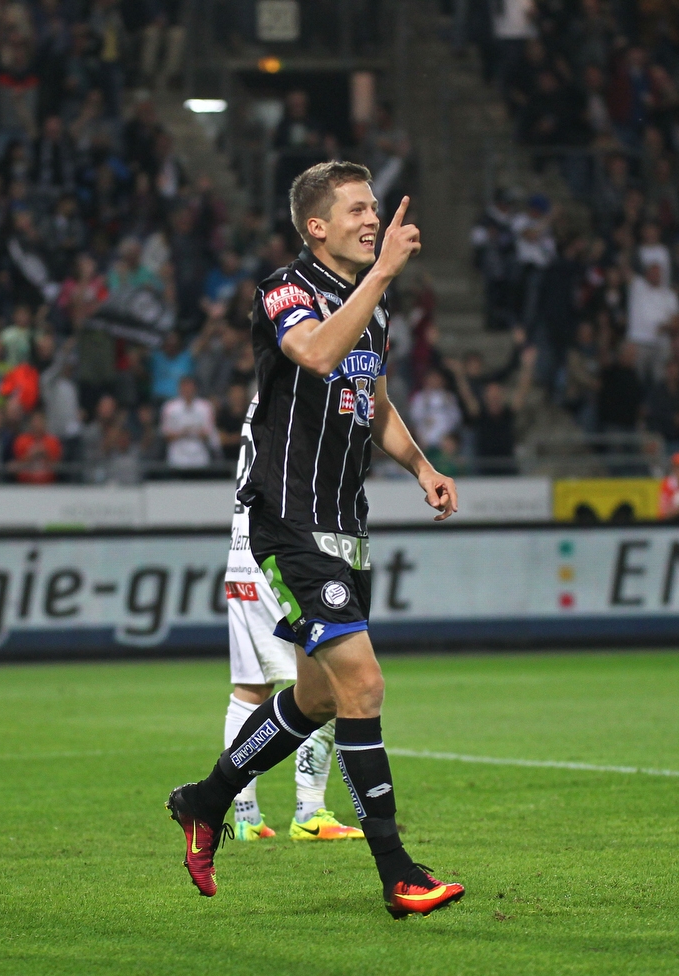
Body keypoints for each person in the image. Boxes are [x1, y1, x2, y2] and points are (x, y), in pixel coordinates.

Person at [166, 162, 464, 919]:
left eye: (376, 209)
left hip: (346, 522)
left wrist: (423, 467)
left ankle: (206, 800)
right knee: (363, 685)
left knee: (319, 696)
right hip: (288, 520)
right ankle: (398, 872)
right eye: (358, 210)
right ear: (317, 227)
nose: (375, 221)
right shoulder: (284, 291)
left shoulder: (376, 308)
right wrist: (383, 277)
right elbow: (318, 353)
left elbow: (375, 402)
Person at [224, 394, 362, 843]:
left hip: (242, 554)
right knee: (333, 678)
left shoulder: (263, 395)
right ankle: (309, 808)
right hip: (280, 553)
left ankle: (243, 815)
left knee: (250, 687)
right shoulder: (306, 387)